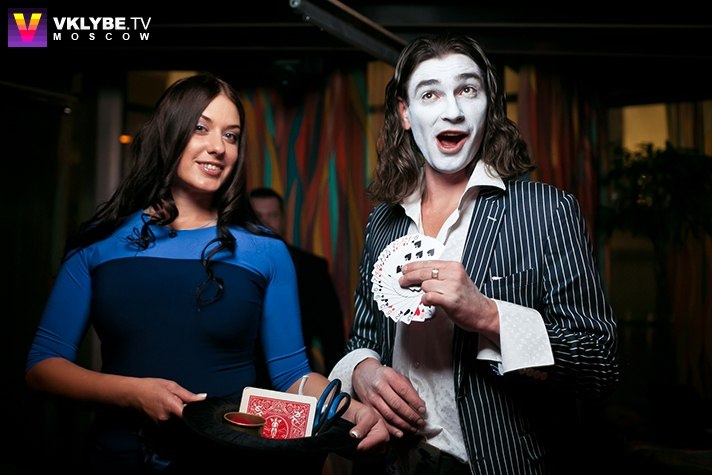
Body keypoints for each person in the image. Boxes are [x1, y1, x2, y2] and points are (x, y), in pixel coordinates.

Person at [24, 72, 388, 474]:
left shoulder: (265, 251)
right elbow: (43, 368)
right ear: (170, 132)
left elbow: (291, 375)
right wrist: (133, 392)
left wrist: (352, 410)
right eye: (201, 128)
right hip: (118, 459)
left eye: (231, 136)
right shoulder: (99, 242)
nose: (218, 147)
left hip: (228, 462)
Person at [328, 33, 620, 475]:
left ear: (489, 105)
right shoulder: (383, 221)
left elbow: (600, 363)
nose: (452, 110)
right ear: (405, 113)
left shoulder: (546, 211)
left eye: (467, 89)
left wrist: (488, 315)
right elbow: (364, 337)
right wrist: (362, 370)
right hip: (392, 462)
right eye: (430, 94)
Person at [249, 187, 346, 375]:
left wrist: (335, 385)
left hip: (298, 378)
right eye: (257, 216)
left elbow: (332, 335)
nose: (265, 223)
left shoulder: (312, 268)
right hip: (244, 379)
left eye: (273, 216)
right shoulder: (231, 267)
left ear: (283, 219)